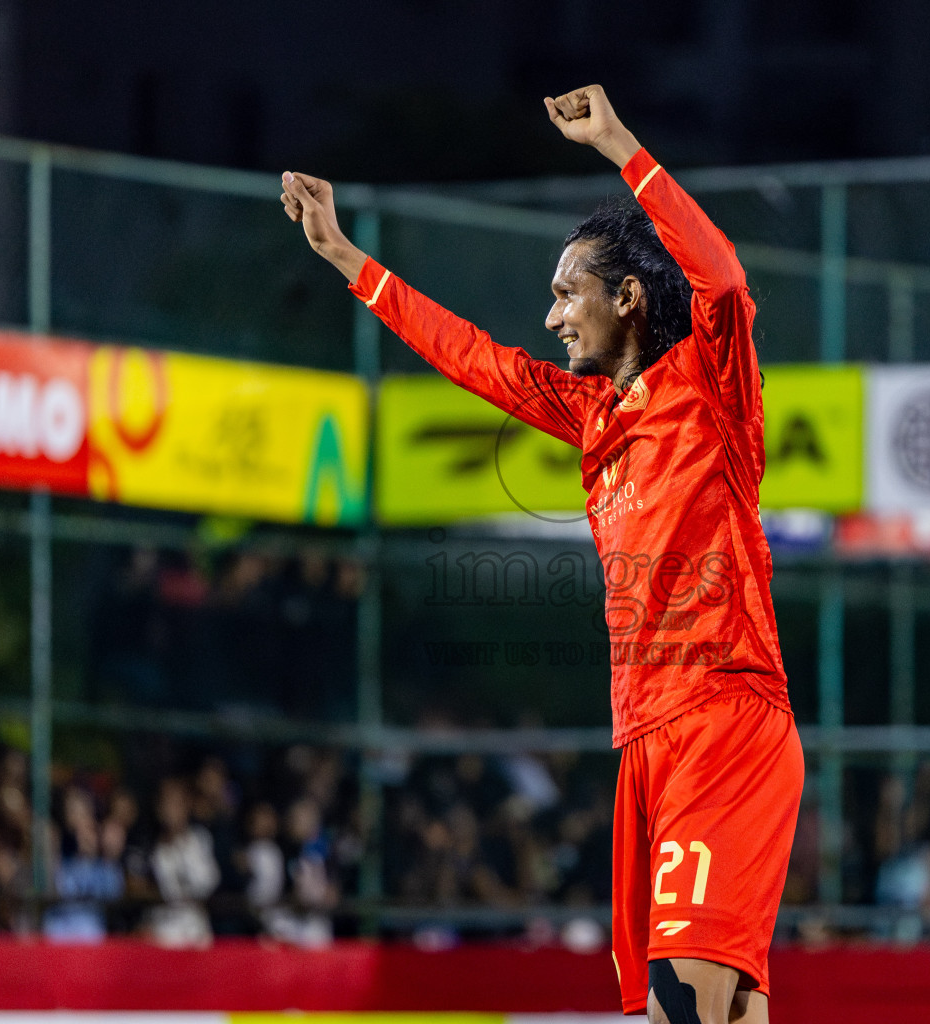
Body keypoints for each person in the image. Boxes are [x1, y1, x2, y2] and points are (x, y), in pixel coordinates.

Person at [282, 84, 804, 1024]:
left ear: (630, 298)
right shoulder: (591, 416)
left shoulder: (709, 390)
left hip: (724, 722)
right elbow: (475, 358)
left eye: (569, 293)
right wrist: (349, 259)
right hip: (646, 739)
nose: (554, 315)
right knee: (712, 1015)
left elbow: (722, 280)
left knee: (681, 1008)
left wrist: (622, 148)